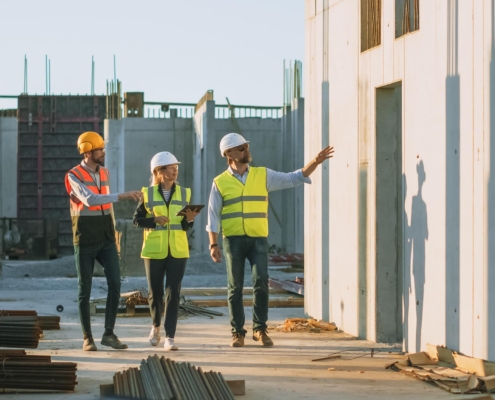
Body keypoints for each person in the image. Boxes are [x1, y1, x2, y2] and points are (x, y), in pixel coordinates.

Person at [207, 133, 334, 347]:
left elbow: (294, 177)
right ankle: (237, 332)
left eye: (246, 146)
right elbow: (213, 215)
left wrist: (315, 161)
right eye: (241, 148)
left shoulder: (262, 175)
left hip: (258, 240)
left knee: (261, 283)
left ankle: (260, 330)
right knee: (234, 287)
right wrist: (213, 244)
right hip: (233, 241)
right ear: (229, 154)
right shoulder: (220, 183)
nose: (247, 150)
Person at [65, 131, 142, 351]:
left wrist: (114, 234)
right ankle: (87, 337)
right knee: (84, 289)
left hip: (107, 238)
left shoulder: (105, 172)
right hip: (85, 238)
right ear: (88, 152)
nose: (103, 152)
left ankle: (108, 334)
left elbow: (106, 208)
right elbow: (89, 200)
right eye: (100, 149)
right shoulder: (73, 175)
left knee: (116, 283)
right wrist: (122, 195)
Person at [133, 151, 199, 351]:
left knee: (174, 293)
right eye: (171, 167)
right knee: (155, 292)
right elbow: (137, 221)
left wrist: (189, 219)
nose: (175, 170)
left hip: (178, 250)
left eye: (176, 167)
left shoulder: (185, 193)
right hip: (154, 250)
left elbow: (187, 227)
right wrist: (154, 220)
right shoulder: (148, 194)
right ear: (159, 172)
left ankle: (170, 336)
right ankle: (155, 326)